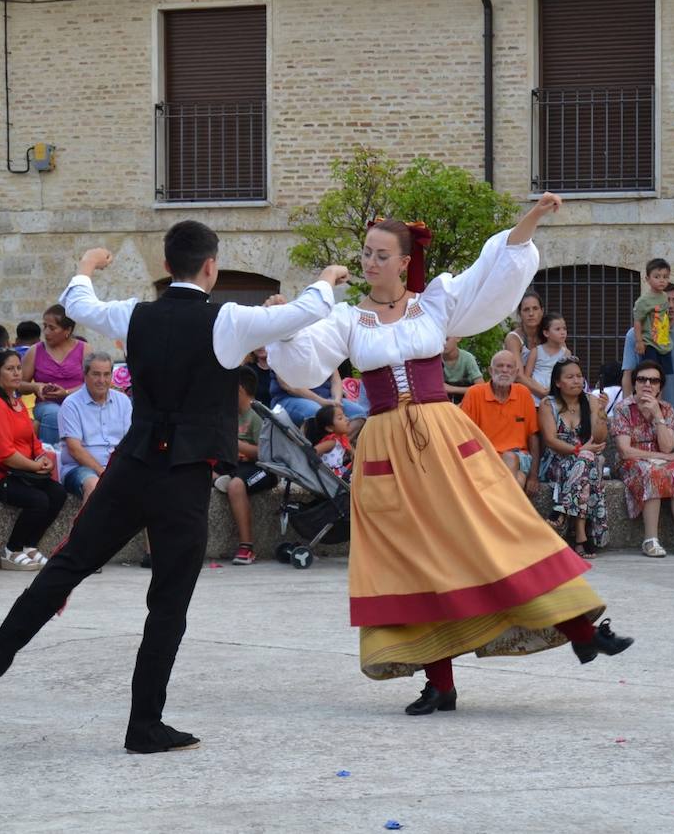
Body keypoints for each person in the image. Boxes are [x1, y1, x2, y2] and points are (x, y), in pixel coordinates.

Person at [0, 219, 351, 755]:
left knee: (71, 562)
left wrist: (86, 265)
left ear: (167, 266)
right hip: (185, 478)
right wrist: (328, 277)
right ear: (211, 267)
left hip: (132, 465)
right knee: (167, 603)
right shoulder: (228, 321)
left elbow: (79, 304)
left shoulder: (137, 314)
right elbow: (308, 311)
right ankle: (143, 724)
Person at [264, 196, 633, 717]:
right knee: (414, 559)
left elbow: (490, 273)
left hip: (442, 431)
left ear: (403, 262)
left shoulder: (433, 302)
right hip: (386, 445)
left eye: (380, 254)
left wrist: (529, 221)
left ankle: (581, 629)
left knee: (494, 529)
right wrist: (285, 319)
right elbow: (301, 358)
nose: (370, 262)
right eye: (366, 252)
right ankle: (440, 683)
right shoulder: (348, 319)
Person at [0, 350, 66, 571]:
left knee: (57, 493)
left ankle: (30, 546)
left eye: (18, 368)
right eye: (9, 369)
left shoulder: (17, 403)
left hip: (18, 472)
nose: (16, 373)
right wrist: (35, 466)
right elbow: (3, 454)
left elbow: (33, 441)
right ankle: (12, 550)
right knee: (38, 500)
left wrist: (42, 457)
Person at [610, 359, 674, 557]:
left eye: (654, 381)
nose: (648, 384)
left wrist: (657, 414)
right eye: (642, 379)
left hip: (661, 460)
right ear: (635, 383)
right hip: (631, 461)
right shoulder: (623, 408)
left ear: (660, 387)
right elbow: (625, 451)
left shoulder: (666, 409)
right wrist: (665, 457)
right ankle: (650, 539)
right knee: (652, 472)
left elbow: (667, 446)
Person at [539, 357, 608, 559]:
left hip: (586, 458)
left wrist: (601, 413)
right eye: (570, 377)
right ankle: (581, 538)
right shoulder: (547, 404)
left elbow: (601, 438)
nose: (577, 381)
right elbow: (551, 440)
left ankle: (561, 511)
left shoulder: (591, 401)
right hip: (557, 460)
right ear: (558, 382)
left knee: (587, 463)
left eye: (579, 376)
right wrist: (578, 450)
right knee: (588, 464)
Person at [215, 366, 279, 566]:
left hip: (262, 468)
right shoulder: (229, 414)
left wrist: (234, 443)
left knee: (236, 485)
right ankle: (219, 478)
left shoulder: (257, 415)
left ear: (239, 390)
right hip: (236, 464)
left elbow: (265, 453)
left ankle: (247, 546)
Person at [459, 351, 542, 493]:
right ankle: (508, 513)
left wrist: (534, 476)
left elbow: (533, 436)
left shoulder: (523, 393)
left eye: (509, 367)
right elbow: (463, 435)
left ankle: (499, 510)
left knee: (510, 457)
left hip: (519, 456)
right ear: (491, 371)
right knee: (519, 479)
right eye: (500, 366)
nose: (505, 370)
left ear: (516, 373)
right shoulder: (474, 393)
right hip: (485, 457)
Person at [58, 352, 132, 498]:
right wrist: (104, 473)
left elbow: (130, 441)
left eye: (106, 374)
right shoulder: (71, 404)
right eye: (96, 374)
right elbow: (75, 450)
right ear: (85, 375)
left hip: (117, 466)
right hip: (80, 468)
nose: (102, 380)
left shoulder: (123, 401)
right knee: (94, 486)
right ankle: (86, 522)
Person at [623, 283, 674, 409]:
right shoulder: (635, 335)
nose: (671, 305)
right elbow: (628, 375)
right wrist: (628, 410)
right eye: (666, 300)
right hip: (644, 415)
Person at [18, 304, 88, 445]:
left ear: (67, 330)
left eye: (52, 328)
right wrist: (36, 387)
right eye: (45, 326)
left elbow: (92, 383)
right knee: (53, 413)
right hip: (46, 405)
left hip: (78, 403)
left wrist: (67, 393)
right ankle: (51, 456)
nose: (46, 332)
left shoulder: (84, 349)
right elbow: (19, 385)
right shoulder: (35, 351)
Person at [504, 292, 564, 404]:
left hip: (554, 390)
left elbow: (564, 358)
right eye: (526, 310)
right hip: (521, 394)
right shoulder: (514, 339)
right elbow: (518, 375)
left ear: (542, 311)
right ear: (520, 314)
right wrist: (546, 394)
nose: (531, 313)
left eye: (535, 308)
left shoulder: (551, 334)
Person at [271, 369, 367, 425]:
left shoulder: (322, 344)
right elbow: (288, 386)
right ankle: (317, 453)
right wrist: (322, 402)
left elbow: (335, 379)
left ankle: (339, 448)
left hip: (327, 398)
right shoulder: (280, 348)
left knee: (358, 413)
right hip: (289, 398)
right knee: (316, 412)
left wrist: (337, 400)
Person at [632, 259, 673, 374]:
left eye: (665, 277)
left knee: (663, 375)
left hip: (664, 343)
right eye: (657, 277)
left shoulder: (665, 296)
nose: (662, 280)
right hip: (650, 343)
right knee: (651, 374)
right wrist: (639, 341)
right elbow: (637, 321)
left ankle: (660, 393)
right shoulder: (643, 301)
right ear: (647, 279)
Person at [304, 402, 354, 479]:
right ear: (329, 428)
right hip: (331, 475)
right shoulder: (331, 442)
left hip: (340, 470)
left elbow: (354, 455)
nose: (347, 419)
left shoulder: (342, 439)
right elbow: (312, 453)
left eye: (345, 415)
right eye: (340, 418)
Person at [440, 335, 483, 404]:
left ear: (458, 338)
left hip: (466, 401)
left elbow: (481, 388)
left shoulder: (467, 358)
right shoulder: (435, 359)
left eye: (446, 339)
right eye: (440, 339)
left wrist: (452, 389)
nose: (443, 343)